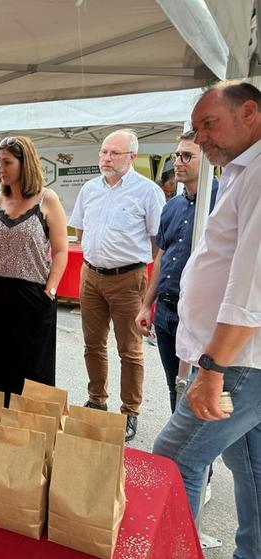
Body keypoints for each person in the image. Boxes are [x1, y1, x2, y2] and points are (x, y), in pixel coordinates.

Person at [152, 81, 261, 559]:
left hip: (237, 360)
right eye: (195, 130)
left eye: (209, 125)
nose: (199, 140)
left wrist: (213, 368)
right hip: (238, 357)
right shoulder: (243, 170)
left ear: (250, 113)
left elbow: (250, 287)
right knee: (252, 467)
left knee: (173, 460)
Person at [69, 128, 165, 442]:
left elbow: (157, 243)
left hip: (129, 278)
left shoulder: (148, 192)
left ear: (131, 157)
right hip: (91, 275)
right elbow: (81, 232)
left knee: (130, 349)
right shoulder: (89, 189)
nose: (106, 158)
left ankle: (130, 411)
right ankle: (97, 399)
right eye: (104, 152)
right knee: (93, 344)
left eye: (114, 153)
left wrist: (144, 287)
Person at [0, 137, 68, 405]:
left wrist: (50, 290)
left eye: (7, 162)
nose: (0, 168)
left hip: (31, 296)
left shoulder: (47, 200)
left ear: (26, 163)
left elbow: (61, 251)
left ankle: (28, 432)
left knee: (31, 368)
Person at [136, 132, 218, 412]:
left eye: (186, 156)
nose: (178, 162)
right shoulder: (171, 207)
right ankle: (179, 452)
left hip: (202, 316)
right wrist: (147, 305)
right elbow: (161, 257)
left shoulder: (222, 201)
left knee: (200, 391)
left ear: (207, 159)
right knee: (175, 386)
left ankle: (194, 455)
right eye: (176, 155)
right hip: (168, 313)